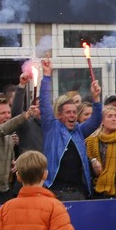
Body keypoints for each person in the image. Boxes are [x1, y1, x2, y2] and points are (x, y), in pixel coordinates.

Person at [38, 58, 104, 198]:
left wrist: (96, 98)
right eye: (68, 112)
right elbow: (44, 103)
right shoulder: (51, 127)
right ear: (59, 115)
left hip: (78, 191)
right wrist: (47, 76)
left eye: (74, 112)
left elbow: (96, 120)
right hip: (54, 191)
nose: (72, 115)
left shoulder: (79, 130)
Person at [85, 105, 116, 199]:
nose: (114, 119)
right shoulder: (91, 140)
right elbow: (86, 161)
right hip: (98, 187)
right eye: (109, 116)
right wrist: (93, 161)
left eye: (115, 116)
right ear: (101, 121)